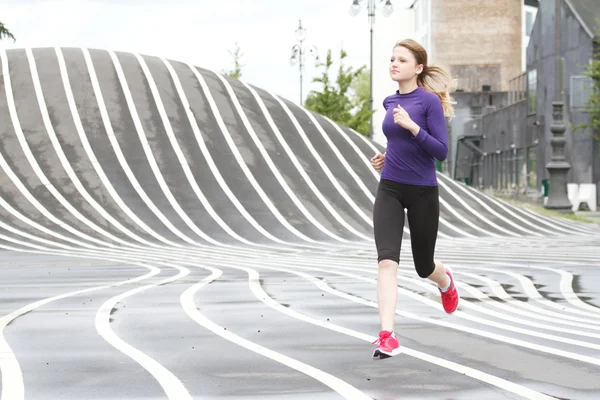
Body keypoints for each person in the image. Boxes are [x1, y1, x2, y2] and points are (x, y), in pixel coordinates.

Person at [369, 39, 459, 360]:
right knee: (386, 260)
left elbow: (442, 153)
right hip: (390, 188)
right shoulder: (389, 101)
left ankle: (445, 281)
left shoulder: (428, 102)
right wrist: (384, 157)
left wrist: (411, 127)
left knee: (424, 265)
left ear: (418, 67)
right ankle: (387, 335)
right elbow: (397, 143)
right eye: (392, 58)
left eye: (401, 60)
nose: (393, 63)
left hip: (422, 191)